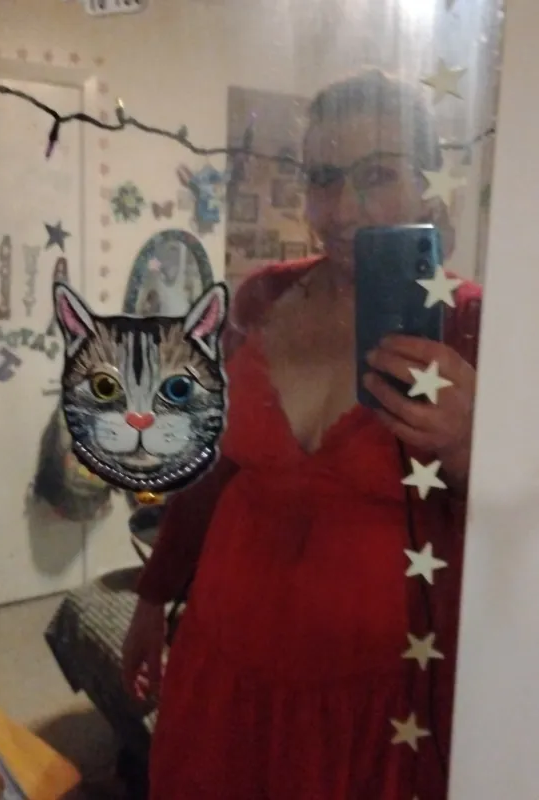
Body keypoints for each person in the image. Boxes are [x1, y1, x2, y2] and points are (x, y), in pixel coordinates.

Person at [122, 68, 482, 800]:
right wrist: (153, 599)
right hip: (222, 660)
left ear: (426, 185)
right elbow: (213, 468)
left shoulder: (472, 322)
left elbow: (513, 533)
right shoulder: (264, 295)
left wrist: (470, 441)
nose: (343, 210)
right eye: (323, 178)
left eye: (377, 175)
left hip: (377, 701)